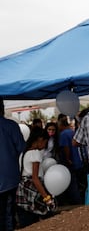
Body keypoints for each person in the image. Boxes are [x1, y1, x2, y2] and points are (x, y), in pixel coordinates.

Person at [15, 127, 56, 228]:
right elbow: (35, 178)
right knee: (47, 218)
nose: (45, 145)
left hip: (23, 190)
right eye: (45, 142)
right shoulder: (35, 153)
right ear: (40, 139)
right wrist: (47, 198)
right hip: (33, 190)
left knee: (27, 224)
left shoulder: (24, 153)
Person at [0, 97, 26, 231]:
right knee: (10, 214)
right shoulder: (11, 126)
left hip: (8, 179)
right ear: (2, 108)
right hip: (11, 178)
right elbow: (22, 148)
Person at [58, 115, 83, 205]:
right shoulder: (72, 132)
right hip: (78, 160)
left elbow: (66, 148)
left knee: (73, 183)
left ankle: (76, 202)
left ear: (61, 125)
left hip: (71, 161)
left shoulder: (63, 134)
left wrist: (67, 159)